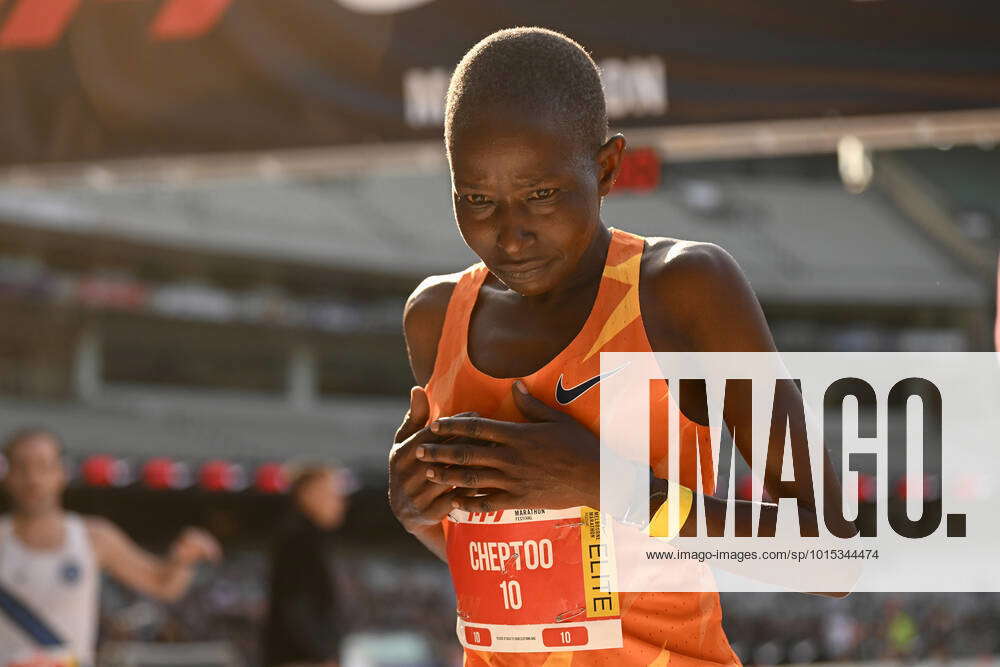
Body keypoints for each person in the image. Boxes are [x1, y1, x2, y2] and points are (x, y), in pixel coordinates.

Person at [388, 27, 846, 666]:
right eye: (477, 200)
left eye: (541, 195)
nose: (511, 235)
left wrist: (615, 487)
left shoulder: (681, 289)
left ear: (606, 168)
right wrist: (422, 516)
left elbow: (831, 554)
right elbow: (528, 560)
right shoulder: (435, 318)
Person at [0, 427, 221, 667]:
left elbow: (162, 584)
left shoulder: (93, 537)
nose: (33, 479)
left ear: (61, 473)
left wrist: (183, 560)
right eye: (22, 467)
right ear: (8, 475)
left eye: (43, 466)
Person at [263, 465, 352, 667]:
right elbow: (297, 605)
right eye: (332, 495)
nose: (341, 503)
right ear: (308, 494)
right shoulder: (299, 540)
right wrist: (322, 655)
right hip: (301, 659)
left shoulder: (308, 538)